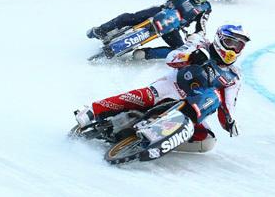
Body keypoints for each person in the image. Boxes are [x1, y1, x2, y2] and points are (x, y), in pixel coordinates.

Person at [74, 23, 249, 153]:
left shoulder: (234, 76)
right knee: (145, 96)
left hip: (193, 107)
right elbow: (172, 58)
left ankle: (163, 135)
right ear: (219, 39)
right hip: (172, 87)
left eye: (238, 45)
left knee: (207, 141)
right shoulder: (201, 45)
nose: (233, 49)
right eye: (230, 42)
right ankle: (92, 110)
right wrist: (190, 57)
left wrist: (230, 122)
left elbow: (228, 105)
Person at [87, 0, 219, 60]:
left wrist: (195, 35)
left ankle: (147, 54)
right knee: (129, 18)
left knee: (179, 51)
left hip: (173, 27)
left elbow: (202, 28)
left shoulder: (206, 8)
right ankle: (101, 30)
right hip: (161, 11)